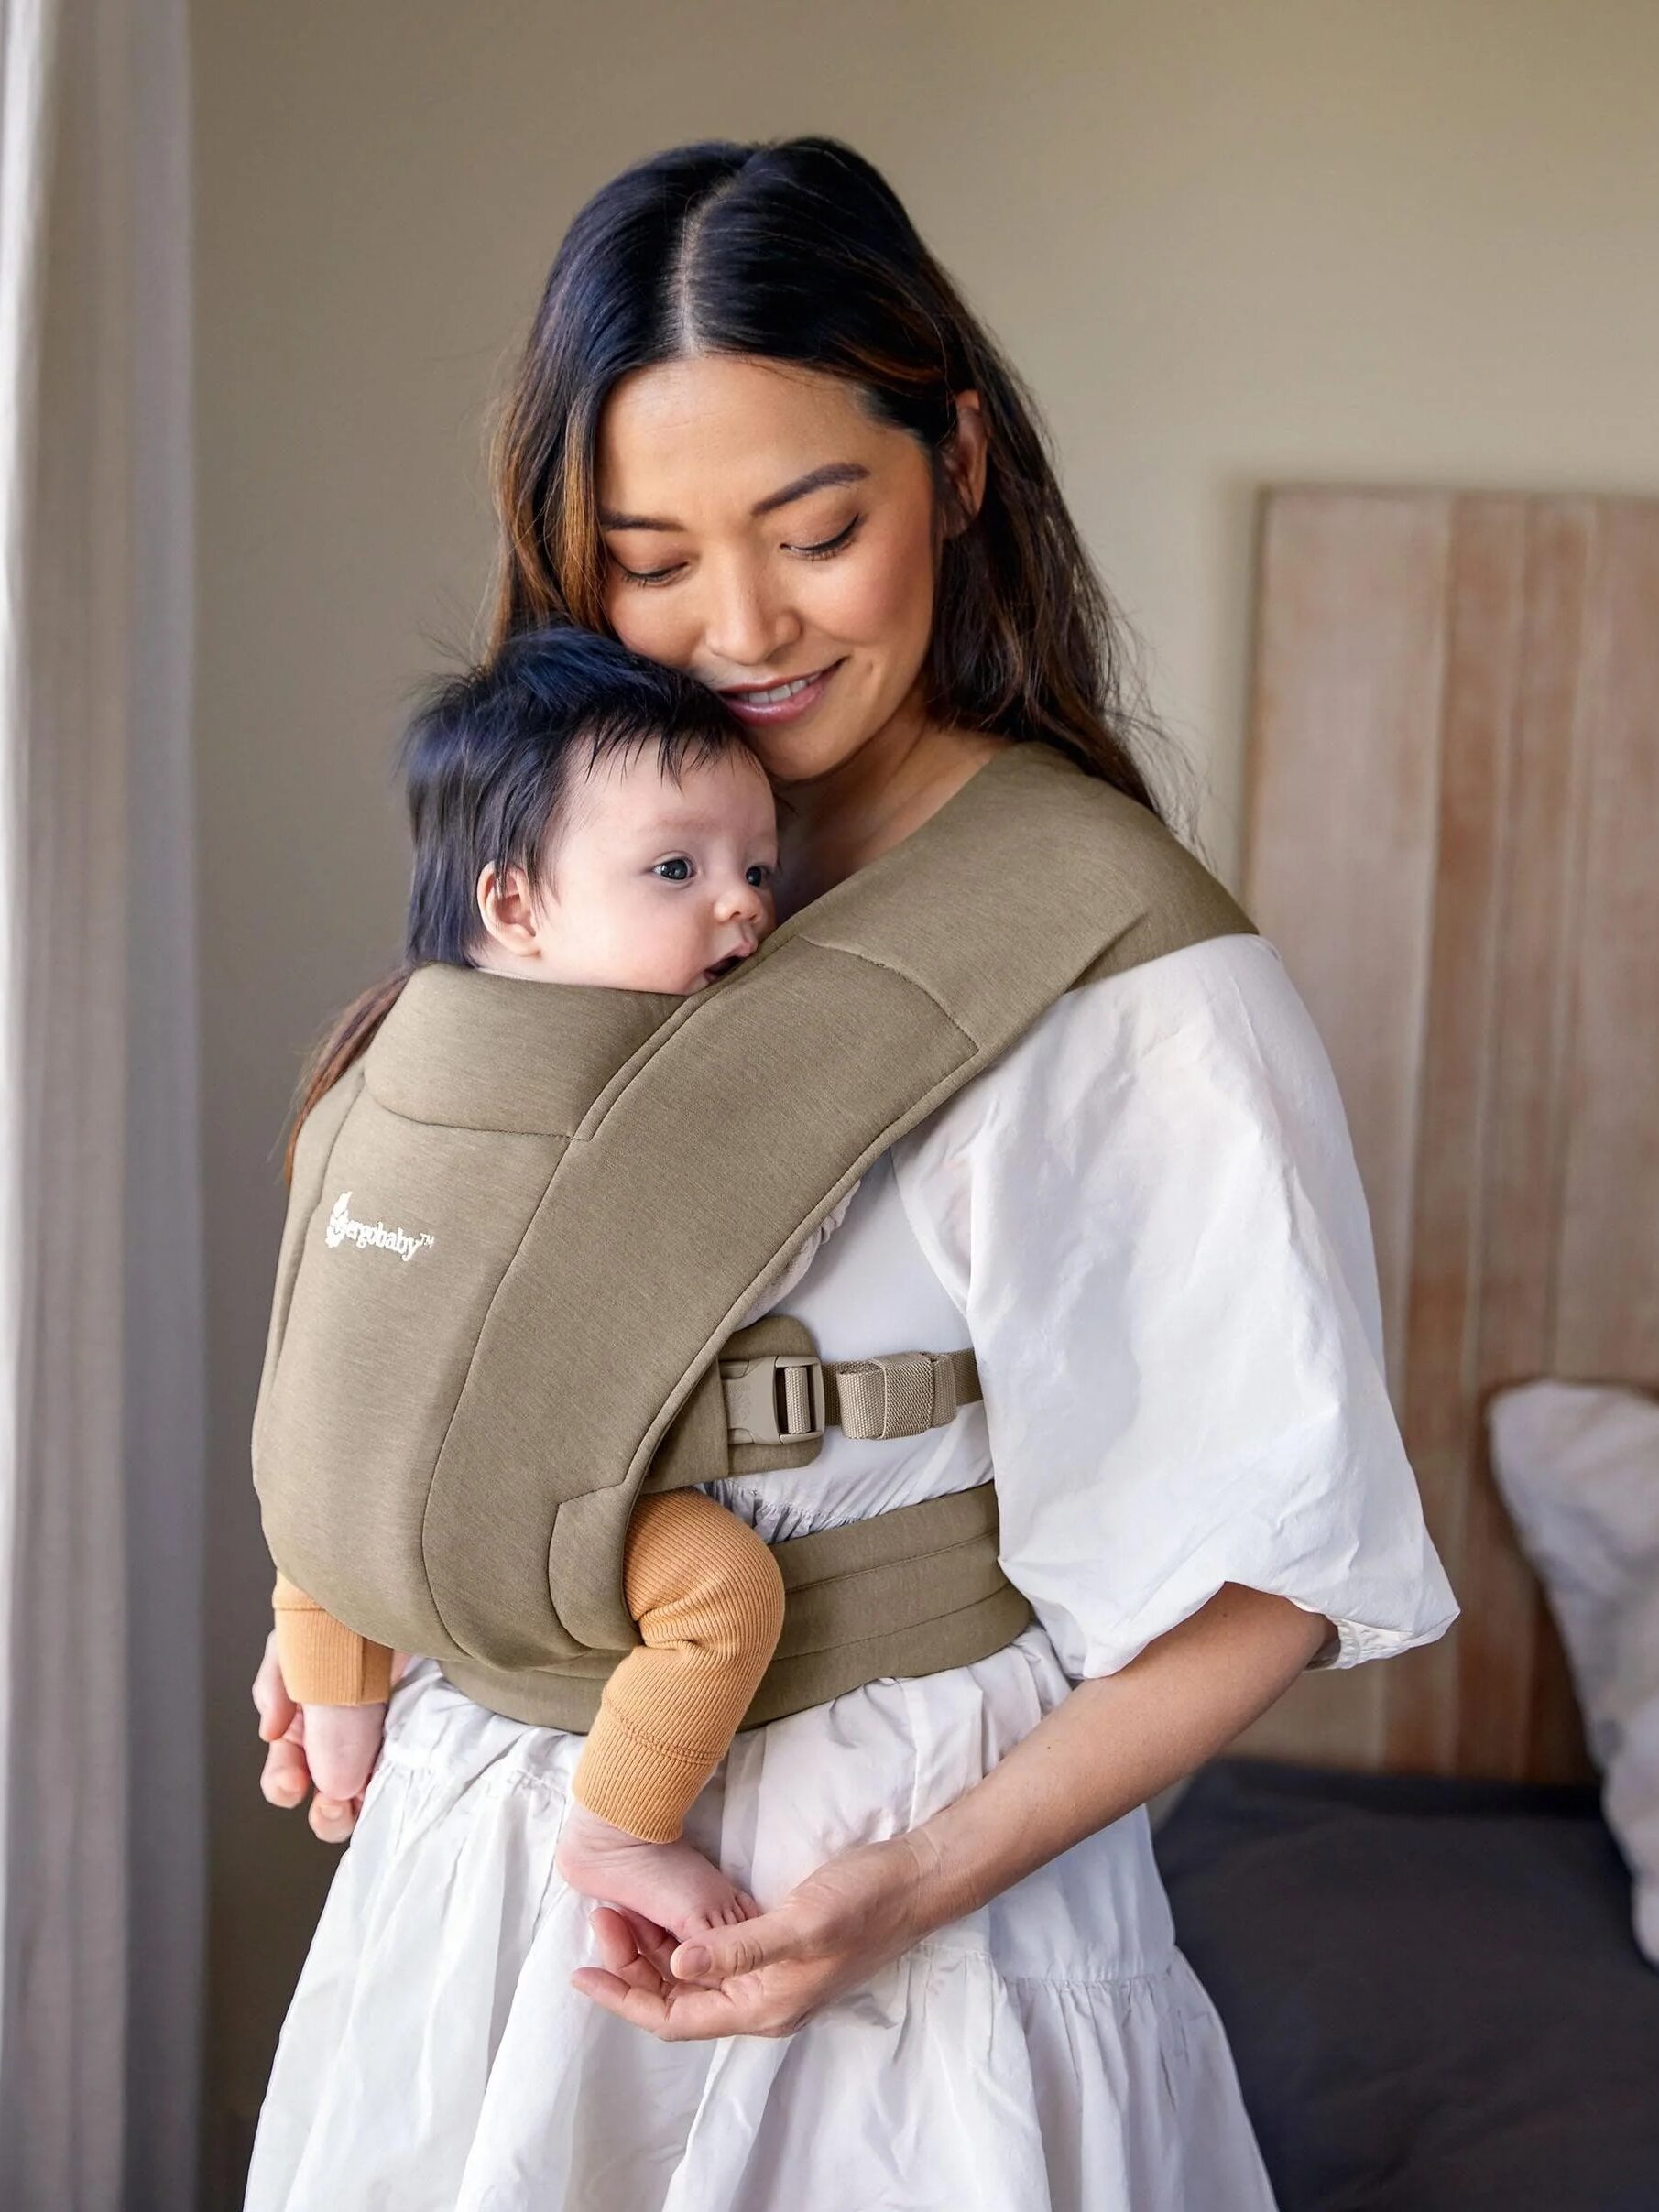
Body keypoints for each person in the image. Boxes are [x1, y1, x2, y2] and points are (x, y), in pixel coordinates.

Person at [246, 137, 1458, 2212]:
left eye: (818, 531)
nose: (739, 629)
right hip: (476, 1899)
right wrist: (364, 1592)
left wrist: (906, 1887)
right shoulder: (576, 889)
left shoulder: (1116, 970)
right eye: (648, 561)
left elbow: (1274, 1571)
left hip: (870, 1936)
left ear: (958, 465)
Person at [263, 626, 870, 1941]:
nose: (743, 904)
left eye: (759, 868)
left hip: (325, 1508)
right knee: (724, 1593)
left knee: (320, 1532)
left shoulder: (376, 1062)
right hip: (509, 1523)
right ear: (515, 906)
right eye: (676, 869)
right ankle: (618, 1831)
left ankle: (340, 1729)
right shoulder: (638, 1085)